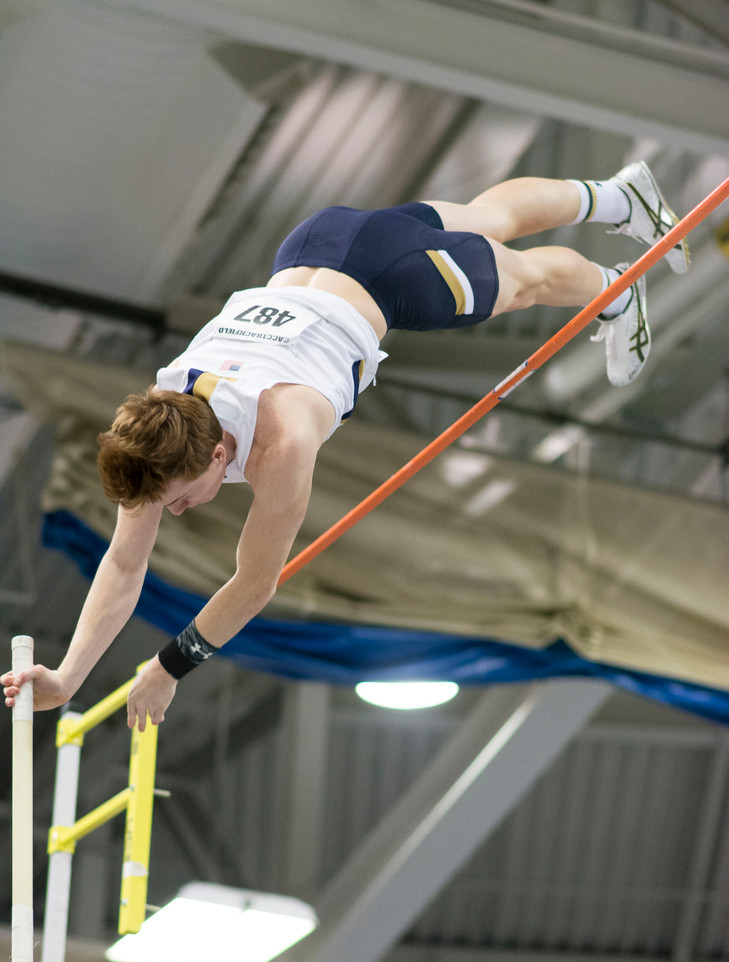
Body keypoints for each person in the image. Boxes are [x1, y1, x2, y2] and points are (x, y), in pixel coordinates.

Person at [3, 161, 688, 730]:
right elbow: (123, 566)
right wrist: (68, 674)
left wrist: (168, 665)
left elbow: (254, 583)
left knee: (523, 280)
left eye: (181, 501)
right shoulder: (161, 428)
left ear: (220, 456)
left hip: (391, 278)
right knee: (484, 219)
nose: (174, 512)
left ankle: (612, 290)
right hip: (314, 244)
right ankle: (616, 194)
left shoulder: (283, 438)